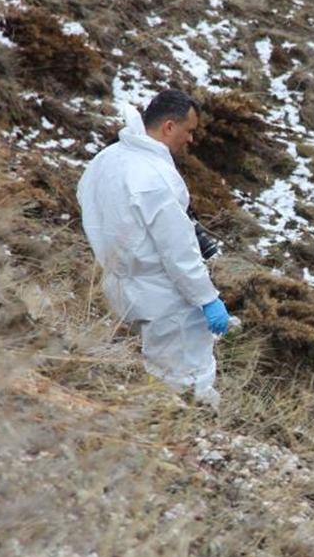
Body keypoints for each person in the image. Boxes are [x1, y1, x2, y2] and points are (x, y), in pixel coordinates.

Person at [77, 89, 231, 407]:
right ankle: (192, 440)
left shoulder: (107, 159)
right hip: (165, 295)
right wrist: (207, 298)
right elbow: (178, 250)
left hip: (121, 283)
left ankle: (158, 419)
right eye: (189, 131)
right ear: (169, 127)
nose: (190, 140)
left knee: (156, 375)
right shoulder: (155, 175)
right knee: (188, 381)